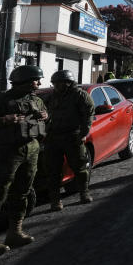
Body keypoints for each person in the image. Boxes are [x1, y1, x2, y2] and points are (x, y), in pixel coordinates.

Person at [0, 64, 48, 257]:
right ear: (26, 81)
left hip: (30, 151)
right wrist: (3, 121)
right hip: (5, 154)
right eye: (37, 80)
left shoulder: (37, 100)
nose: (39, 83)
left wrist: (46, 117)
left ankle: (15, 232)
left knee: (22, 192)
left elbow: (45, 122)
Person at [44, 69, 95, 210]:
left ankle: (84, 193)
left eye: (60, 83)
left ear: (68, 83)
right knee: (53, 170)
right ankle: (55, 201)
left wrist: (84, 133)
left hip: (73, 136)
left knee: (80, 167)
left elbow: (88, 114)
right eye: (55, 83)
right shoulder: (52, 97)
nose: (57, 86)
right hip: (53, 137)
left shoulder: (79, 95)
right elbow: (45, 113)